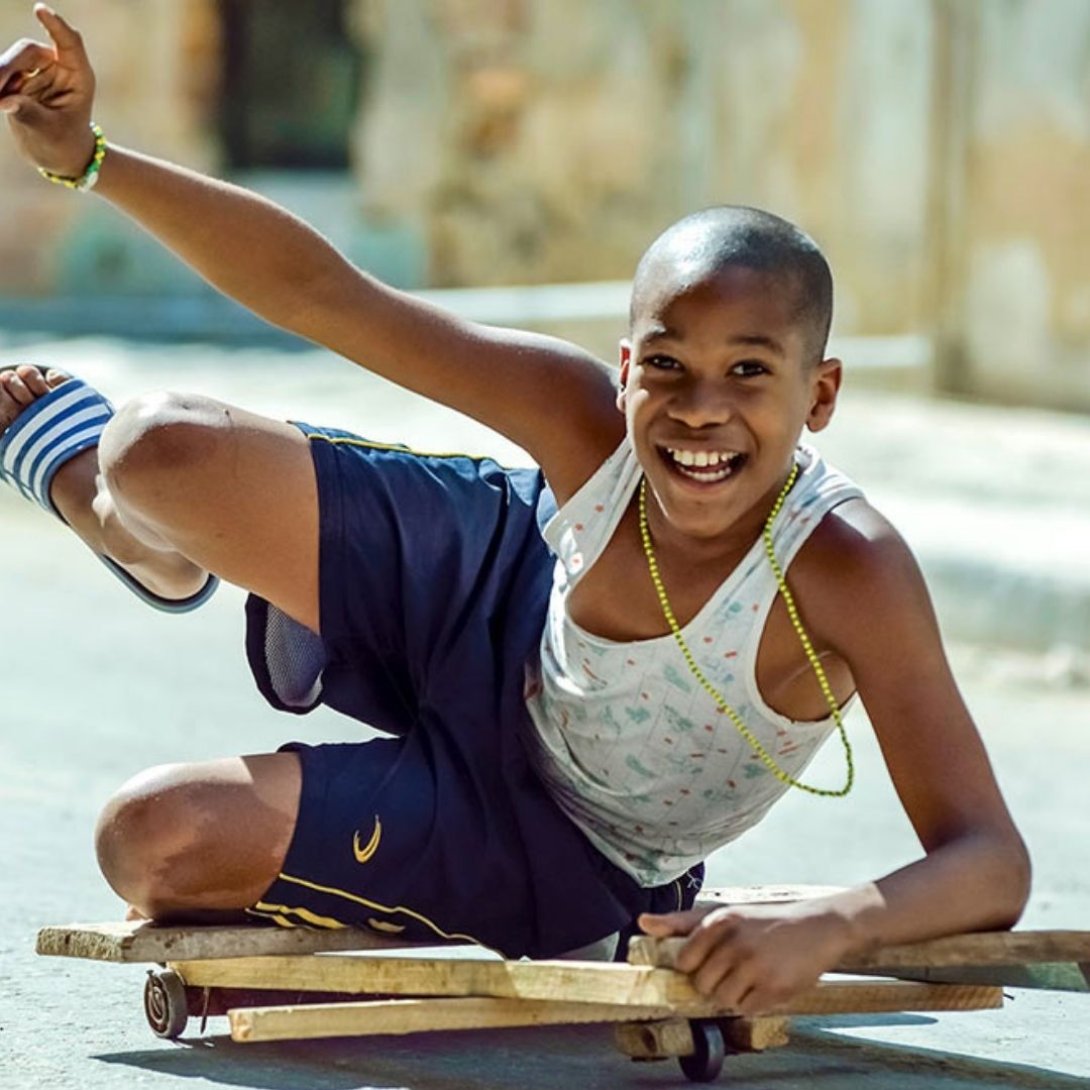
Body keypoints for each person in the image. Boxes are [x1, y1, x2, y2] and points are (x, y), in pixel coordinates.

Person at [0, 6, 1029, 1015]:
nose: (698, 409)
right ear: (625, 370)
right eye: (665, 366)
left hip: (561, 844)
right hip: (497, 581)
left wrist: (831, 922)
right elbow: (327, 296)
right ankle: (132, 527)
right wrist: (89, 160)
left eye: (748, 372)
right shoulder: (582, 422)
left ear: (820, 395)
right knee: (152, 446)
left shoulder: (844, 565)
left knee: (148, 838)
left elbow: (989, 856)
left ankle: (434, 888)